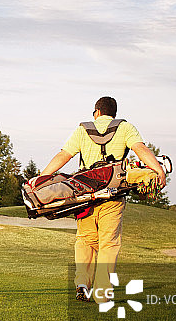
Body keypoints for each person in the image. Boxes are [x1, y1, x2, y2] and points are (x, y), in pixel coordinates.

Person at [40, 96, 166, 304]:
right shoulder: (125, 128)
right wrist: (158, 170)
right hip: (113, 196)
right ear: (113, 113)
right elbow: (140, 149)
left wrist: (42, 179)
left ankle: (82, 284)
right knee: (108, 244)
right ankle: (101, 293)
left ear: (97, 112)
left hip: (85, 196)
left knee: (85, 240)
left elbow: (64, 155)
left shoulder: (83, 130)